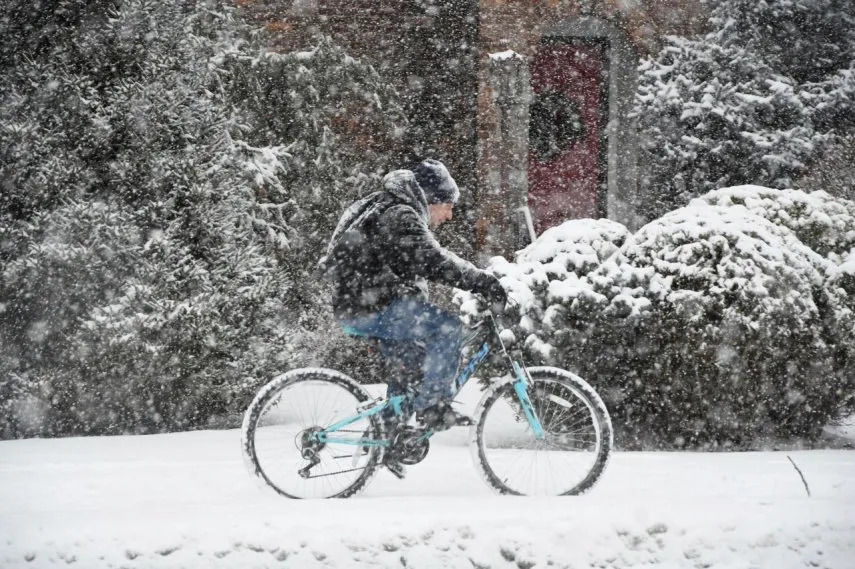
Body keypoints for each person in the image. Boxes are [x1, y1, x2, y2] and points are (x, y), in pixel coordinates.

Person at [319, 159, 507, 433]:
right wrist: (483, 282)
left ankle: (389, 437)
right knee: (448, 328)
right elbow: (434, 261)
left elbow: (411, 265)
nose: (450, 215)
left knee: (412, 367)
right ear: (431, 199)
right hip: (372, 306)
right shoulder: (401, 214)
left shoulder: (390, 209)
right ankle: (434, 408)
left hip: (363, 305)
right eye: (449, 206)